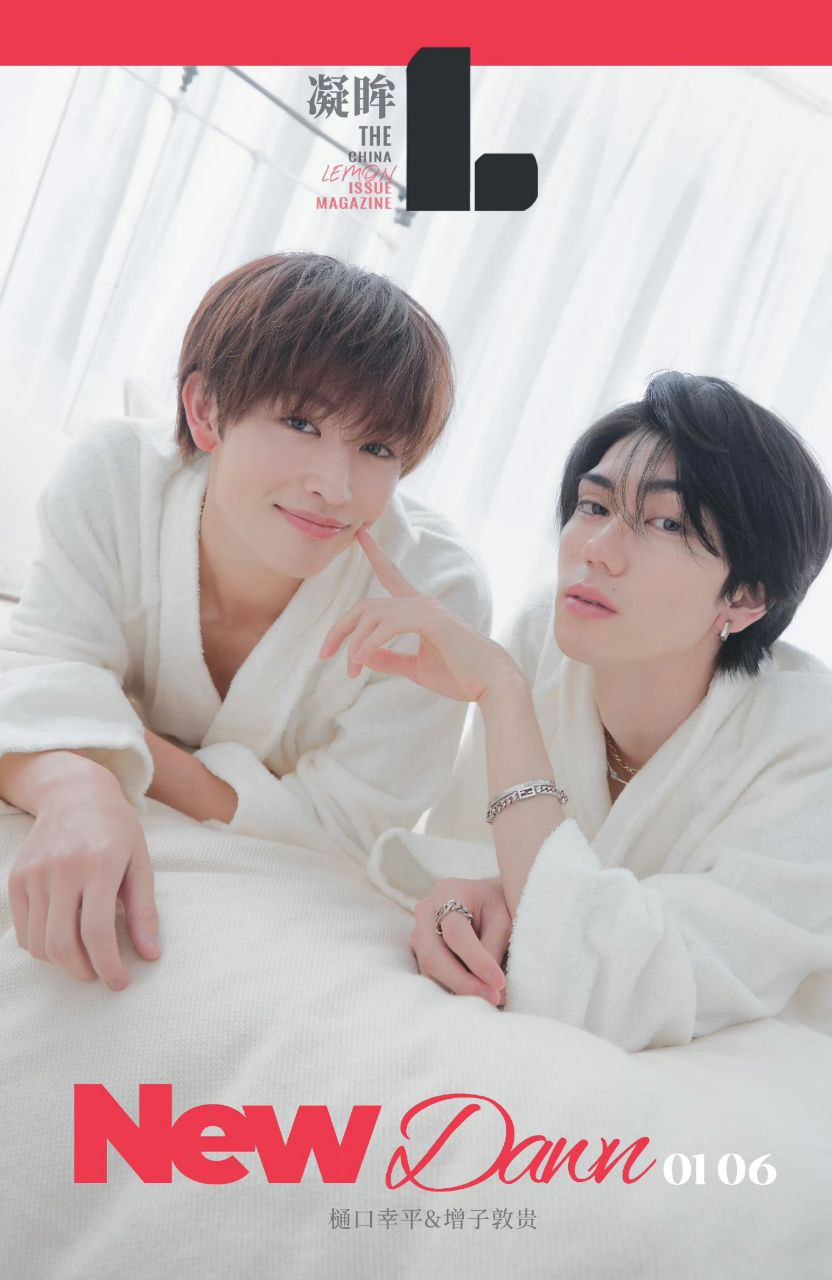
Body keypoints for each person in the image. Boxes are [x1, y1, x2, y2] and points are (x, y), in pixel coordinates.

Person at [0, 252, 490, 993]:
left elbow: (348, 830)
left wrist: (104, 746)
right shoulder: (116, 476)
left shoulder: (436, 592)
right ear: (204, 411)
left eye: (376, 447)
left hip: (287, 907)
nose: (334, 486)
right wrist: (75, 786)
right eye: (300, 422)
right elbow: (41, 668)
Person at [321, 371, 832, 1052]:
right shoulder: (546, 642)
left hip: (786, 1061)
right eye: (594, 505)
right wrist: (468, 901)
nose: (596, 550)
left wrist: (502, 695)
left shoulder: (824, 749)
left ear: (747, 597)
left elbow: (622, 990)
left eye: (666, 523)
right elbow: (480, 859)